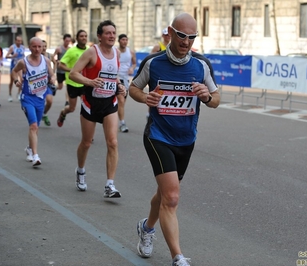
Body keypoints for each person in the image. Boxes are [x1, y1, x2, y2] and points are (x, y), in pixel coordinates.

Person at [129, 13, 220, 266]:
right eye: (182, 35)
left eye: (192, 37)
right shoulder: (154, 62)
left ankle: (146, 228)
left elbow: (216, 99)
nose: (186, 41)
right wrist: (144, 97)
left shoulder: (201, 65)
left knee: (164, 192)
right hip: (158, 136)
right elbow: (133, 88)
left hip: (186, 139)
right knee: (172, 197)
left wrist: (206, 96)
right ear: (170, 32)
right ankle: (177, 257)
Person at [68, 20, 126, 197]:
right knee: (86, 142)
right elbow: (73, 73)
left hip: (109, 102)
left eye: (113, 33)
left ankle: (110, 185)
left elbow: (112, 76)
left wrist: (119, 86)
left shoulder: (116, 53)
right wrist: (90, 82)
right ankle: (80, 170)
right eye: (108, 33)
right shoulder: (92, 52)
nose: (112, 36)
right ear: (100, 36)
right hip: (91, 102)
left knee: (113, 142)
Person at [11, 37, 55, 166]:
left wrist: (52, 79)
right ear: (29, 48)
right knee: (33, 125)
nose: (37, 49)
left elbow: (52, 74)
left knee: (36, 127)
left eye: (39, 47)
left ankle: (30, 148)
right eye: (34, 47)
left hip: (40, 98)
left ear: (42, 48)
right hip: (27, 98)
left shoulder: (46, 60)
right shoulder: (23, 62)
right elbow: (14, 71)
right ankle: (36, 156)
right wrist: (16, 81)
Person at [56, 29, 89, 127]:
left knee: (86, 108)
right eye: (81, 36)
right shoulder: (71, 51)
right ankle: (63, 113)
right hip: (72, 83)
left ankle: (88, 133)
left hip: (85, 83)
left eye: (85, 36)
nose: (84, 38)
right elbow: (61, 65)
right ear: (77, 38)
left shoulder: (89, 50)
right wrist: (72, 70)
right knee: (71, 108)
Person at [117, 33, 136, 133]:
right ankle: (122, 123)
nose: (124, 41)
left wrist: (131, 68)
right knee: (120, 100)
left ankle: (117, 116)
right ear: (119, 41)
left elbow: (134, 63)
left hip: (125, 79)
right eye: (123, 40)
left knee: (122, 102)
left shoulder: (131, 52)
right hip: (116, 78)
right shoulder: (115, 51)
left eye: (126, 40)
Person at [6, 35, 26, 102]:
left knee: (22, 79)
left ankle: (19, 93)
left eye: (20, 41)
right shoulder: (12, 47)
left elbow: (23, 56)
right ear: (15, 41)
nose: (19, 42)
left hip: (20, 67)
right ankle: (10, 94)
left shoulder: (23, 47)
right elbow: (6, 56)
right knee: (12, 81)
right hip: (14, 66)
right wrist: (12, 56)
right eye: (18, 41)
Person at [53, 33, 72, 105]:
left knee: (68, 86)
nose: (67, 42)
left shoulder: (70, 49)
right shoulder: (59, 49)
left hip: (67, 70)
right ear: (64, 40)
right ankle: (55, 88)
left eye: (69, 41)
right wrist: (56, 62)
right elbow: (53, 57)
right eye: (66, 41)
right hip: (60, 70)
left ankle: (67, 101)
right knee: (60, 87)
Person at [41, 40, 56, 126]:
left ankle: (44, 113)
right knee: (40, 102)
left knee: (49, 101)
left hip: (48, 82)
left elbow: (55, 63)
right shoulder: (36, 56)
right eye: (42, 46)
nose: (43, 48)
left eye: (45, 46)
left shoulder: (49, 55)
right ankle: (37, 117)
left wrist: (53, 74)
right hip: (38, 83)